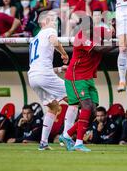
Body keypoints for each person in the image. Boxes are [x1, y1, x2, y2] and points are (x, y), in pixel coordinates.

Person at [59, 17, 114, 152]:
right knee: (87, 106)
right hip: (76, 76)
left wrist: (114, 28)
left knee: (93, 113)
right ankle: (78, 143)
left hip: (88, 77)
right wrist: (118, 44)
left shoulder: (97, 31)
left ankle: (66, 135)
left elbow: (111, 32)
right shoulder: (80, 37)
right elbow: (99, 49)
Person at [27, 11, 69, 150]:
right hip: (43, 75)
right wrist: (63, 53)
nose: (55, 23)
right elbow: (54, 41)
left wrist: (58, 69)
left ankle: (43, 143)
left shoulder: (34, 39)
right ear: (44, 22)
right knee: (75, 99)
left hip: (33, 77)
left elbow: (39, 63)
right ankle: (68, 136)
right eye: (53, 20)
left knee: (54, 107)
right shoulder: (48, 31)